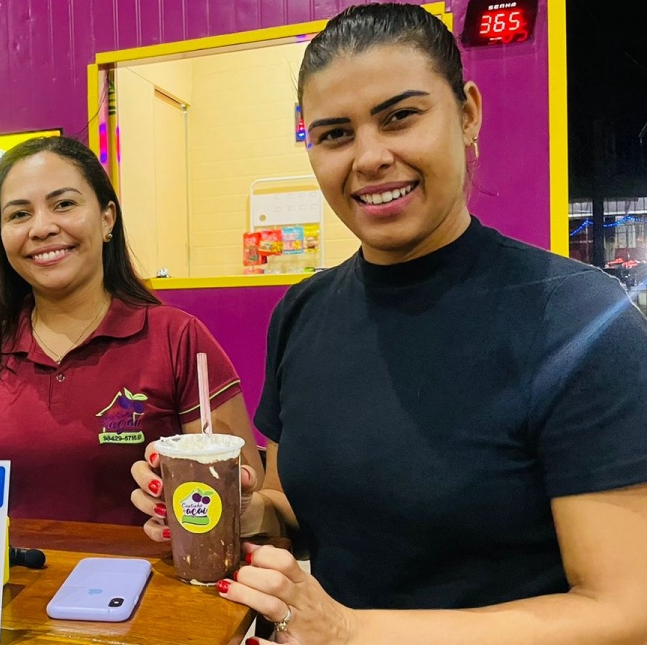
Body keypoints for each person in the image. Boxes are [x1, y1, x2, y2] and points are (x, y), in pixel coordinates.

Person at [131, 4, 647, 643]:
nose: (370, 157)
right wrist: (238, 511)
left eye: (400, 116)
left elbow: (624, 609)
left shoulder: (578, 319)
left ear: (467, 114)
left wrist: (351, 631)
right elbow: (297, 507)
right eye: (335, 134)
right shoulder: (304, 311)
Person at [0, 136, 263, 525]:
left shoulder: (177, 338)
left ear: (107, 218)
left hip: (150, 583)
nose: (41, 228)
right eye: (19, 215)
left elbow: (246, 499)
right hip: (14, 585)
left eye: (64, 204)